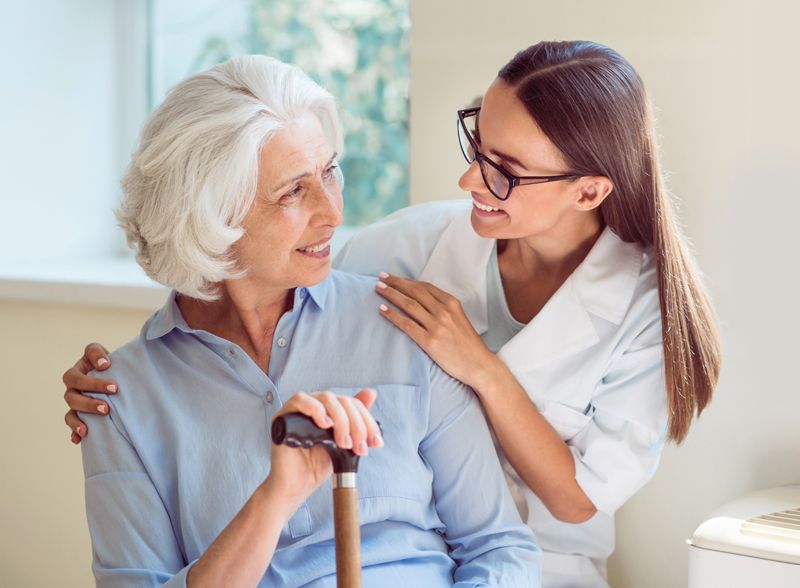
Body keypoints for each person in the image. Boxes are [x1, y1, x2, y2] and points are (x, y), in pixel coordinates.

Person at [64, 41, 722, 588]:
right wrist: (136, 378)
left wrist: (482, 368)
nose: (332, 213)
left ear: (588, 191)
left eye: (505, 170)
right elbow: (239, 279)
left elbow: (549, 517)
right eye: (478, 146)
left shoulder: (633, 309)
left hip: (547, 558)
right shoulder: (401, 258)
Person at [74, 55, 541, 588]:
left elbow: (500, 547)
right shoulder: (120, 398)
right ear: (210, 217)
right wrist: (277, 497)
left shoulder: (407, 324)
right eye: (293, 190)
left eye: (329, 172)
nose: (333, 211)